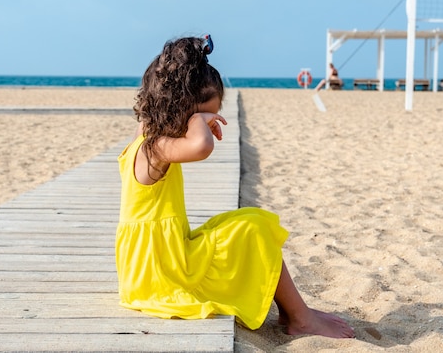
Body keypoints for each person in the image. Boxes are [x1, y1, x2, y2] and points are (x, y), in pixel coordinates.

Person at [115, 35, 354, 339]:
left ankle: (294, 311)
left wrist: (195, 113)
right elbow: (201, 147)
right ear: (182, 111)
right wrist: (199, 123)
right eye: (201, 116)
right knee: (253, 231)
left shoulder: (147, 133)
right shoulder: (156, 148)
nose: (206, 123)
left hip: (156, 261)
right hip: (162, 274)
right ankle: (300, 318)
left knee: (250, 221)